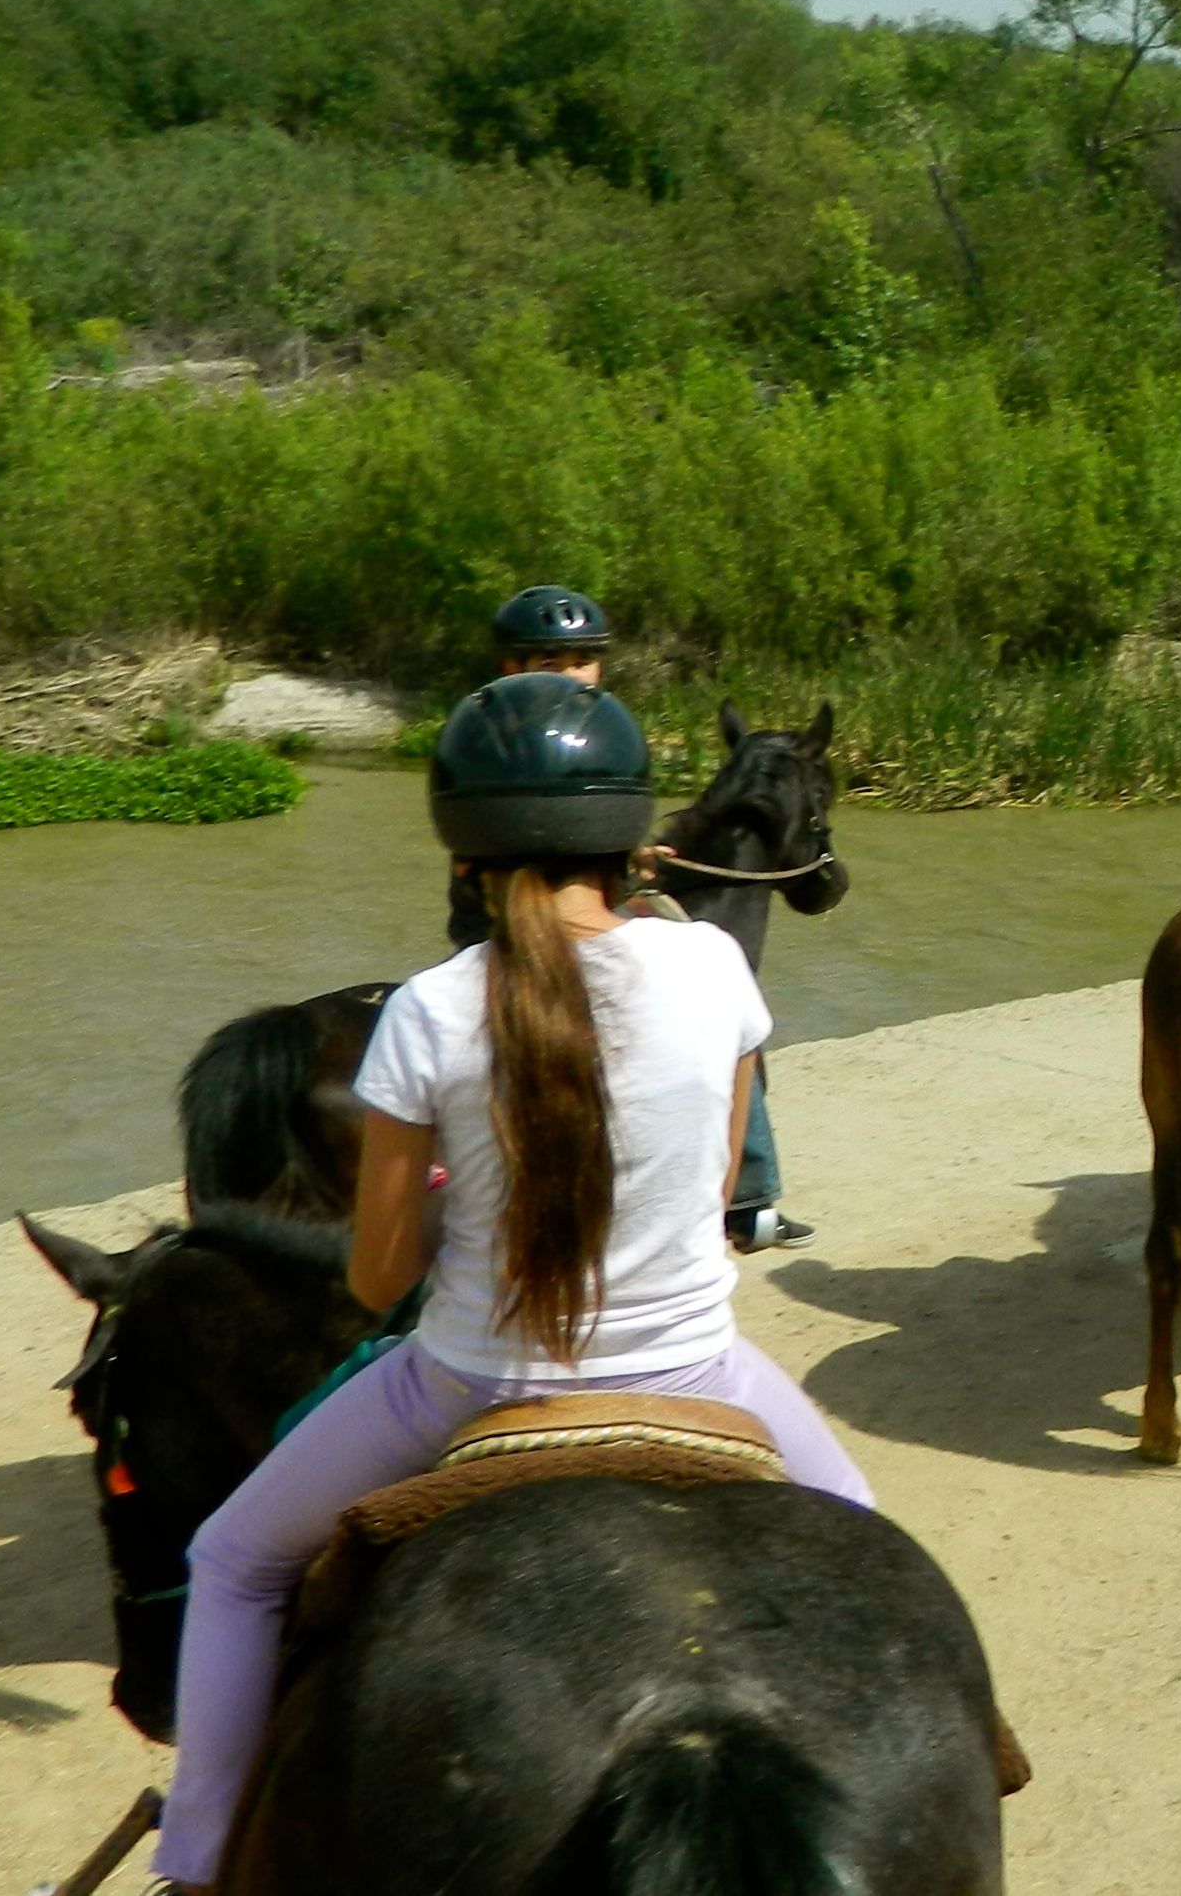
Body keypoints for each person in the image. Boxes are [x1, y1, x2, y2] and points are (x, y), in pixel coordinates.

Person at [148, 673, 874, 1893]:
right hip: (702, 1366)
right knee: (865, 1536)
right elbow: (710, 1205)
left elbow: (378, 1276)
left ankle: (196, 1860)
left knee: (230, 1560)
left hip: (466, 1384)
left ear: (464, 846)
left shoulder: (429, 1010)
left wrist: (446, 1198)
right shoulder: (710, 967)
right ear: (633, 831)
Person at [450, 586, 815, 1249]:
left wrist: (632, 859)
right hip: (500, 919)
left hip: (589, 901)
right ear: (508, 666)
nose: (566, 674)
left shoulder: (592, 728)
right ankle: (744, 1191)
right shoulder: (484, 738)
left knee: (713, 1001)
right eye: (546, 660)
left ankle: (744, 1194)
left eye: (578, 661)